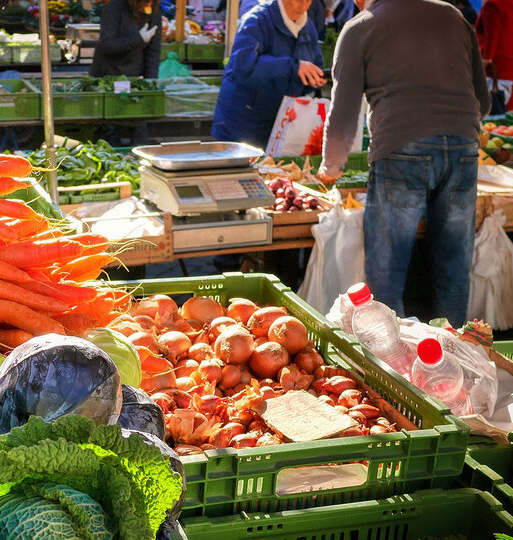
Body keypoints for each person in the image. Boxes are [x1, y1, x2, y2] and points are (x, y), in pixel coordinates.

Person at [319, 0, 491, 326]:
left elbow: (343, 114)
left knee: (387, 269)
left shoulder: (360, 27)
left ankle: (391, 366)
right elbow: (482, 101)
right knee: (454, 266)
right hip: (463, 144)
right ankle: (453, 361)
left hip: (401, 147)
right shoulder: (453, 16)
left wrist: (331, 168)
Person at [211, 0, 327, 147]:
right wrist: (292, 66)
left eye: (308, 0)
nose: (303, 6)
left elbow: (315, 64)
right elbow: (243, 67)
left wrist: (312, 80)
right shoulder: (256, 20)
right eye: (298, 0)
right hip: (242, 125)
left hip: (279, 123)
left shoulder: (309, 27)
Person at [90, 0, 161, 80]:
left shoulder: (154, 12)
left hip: (134, 75)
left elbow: (153, 51)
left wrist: (151, 81)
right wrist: (138, 39)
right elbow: (106, 45)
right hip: (107, 74)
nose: (150, 3)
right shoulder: (113, 8)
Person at [476, 0, 513, 109]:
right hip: (508, 61)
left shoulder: (492, 4)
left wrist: (487, 58)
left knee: (494, 105)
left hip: (496, 62)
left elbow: (491, 34)